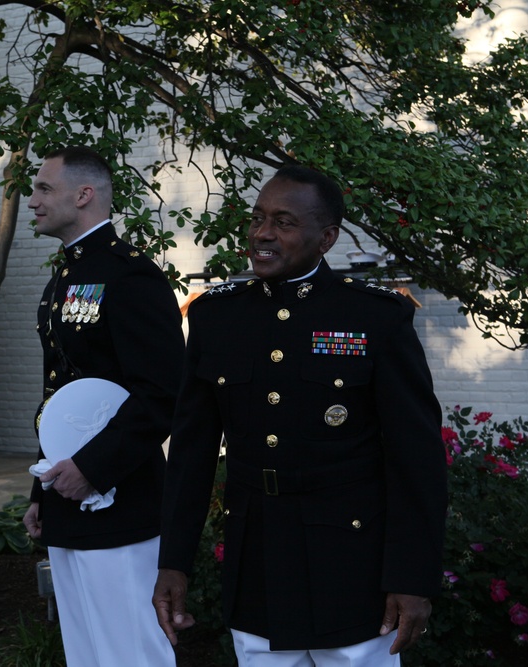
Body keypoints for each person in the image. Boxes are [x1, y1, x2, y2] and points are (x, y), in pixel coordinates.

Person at [153, 165, 448, 666]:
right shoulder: (216, 316)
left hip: (351, 565)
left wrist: (412, 579)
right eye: (258, 218)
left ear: (325, 238)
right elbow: (191, 451)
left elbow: (416, 459)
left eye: (284, 223)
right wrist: (174, 563)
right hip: (259, 561)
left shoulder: (375, 317)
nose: (263, 234)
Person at [22, 146, 184, 667]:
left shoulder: (128, 275)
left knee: (130, 648)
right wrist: (40, 490)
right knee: (86, 650)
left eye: (45, 189)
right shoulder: (64, 277)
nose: (32, 201)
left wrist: (91, 469)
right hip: (66, 493)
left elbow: (162, 391)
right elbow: (62, 396)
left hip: (121, 496)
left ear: (84, 194)